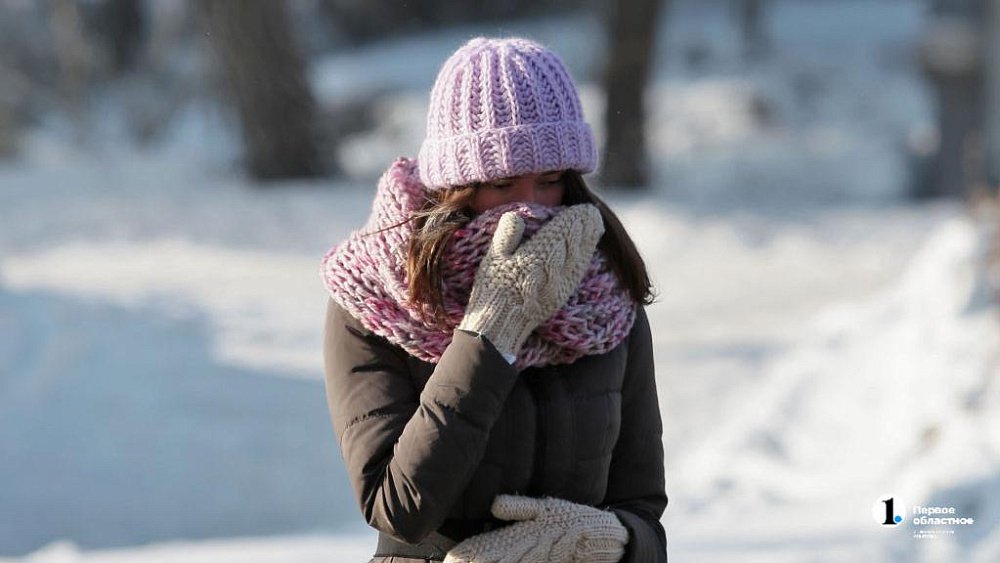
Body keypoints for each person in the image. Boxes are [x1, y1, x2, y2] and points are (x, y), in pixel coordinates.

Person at [321, 37, 667, 563]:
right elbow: (399, 508)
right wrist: (491, 329)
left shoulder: (605, 292)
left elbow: (642, 511)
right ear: (454, 186)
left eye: (549, 180)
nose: (528, 207)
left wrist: (608, 540)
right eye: (502, 184)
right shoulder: (375, 295)